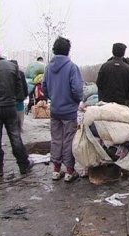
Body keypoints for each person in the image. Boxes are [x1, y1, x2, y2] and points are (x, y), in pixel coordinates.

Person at [42, 37, 83, 182]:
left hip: (55, 110)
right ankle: (70, 171)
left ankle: (56, 169)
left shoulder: (48, 68)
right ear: (68, 50)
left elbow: (44, 88)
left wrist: (53, 98)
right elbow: (77, 90)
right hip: (69, 111)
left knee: (56, 140)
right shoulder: (72, 67)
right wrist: (76, 100)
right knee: (68, 141)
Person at [0, 45, 34, 177]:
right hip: (10, 106)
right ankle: (23, 165)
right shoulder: (12, 66)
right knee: (15, 136)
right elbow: (20, 92)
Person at [10, 60, 28, 132]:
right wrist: (26, 94)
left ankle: (13, 127)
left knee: (12, 114)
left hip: (11, 98)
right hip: (20, 97)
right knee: (20, 113)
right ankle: (20, 127)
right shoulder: (21, 73)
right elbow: (25, 85)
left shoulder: (9, 74)